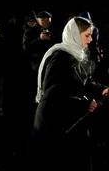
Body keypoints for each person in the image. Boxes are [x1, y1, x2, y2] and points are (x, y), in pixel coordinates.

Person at [32, 16, 103, 171]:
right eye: (87, 35)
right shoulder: (60, 58)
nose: (90, 40)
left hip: (68, 120)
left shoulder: (75, 55)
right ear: (74, 35)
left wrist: (102, 89)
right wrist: (85, 104)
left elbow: (83, 81)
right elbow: (54, 95)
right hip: (53, 125)